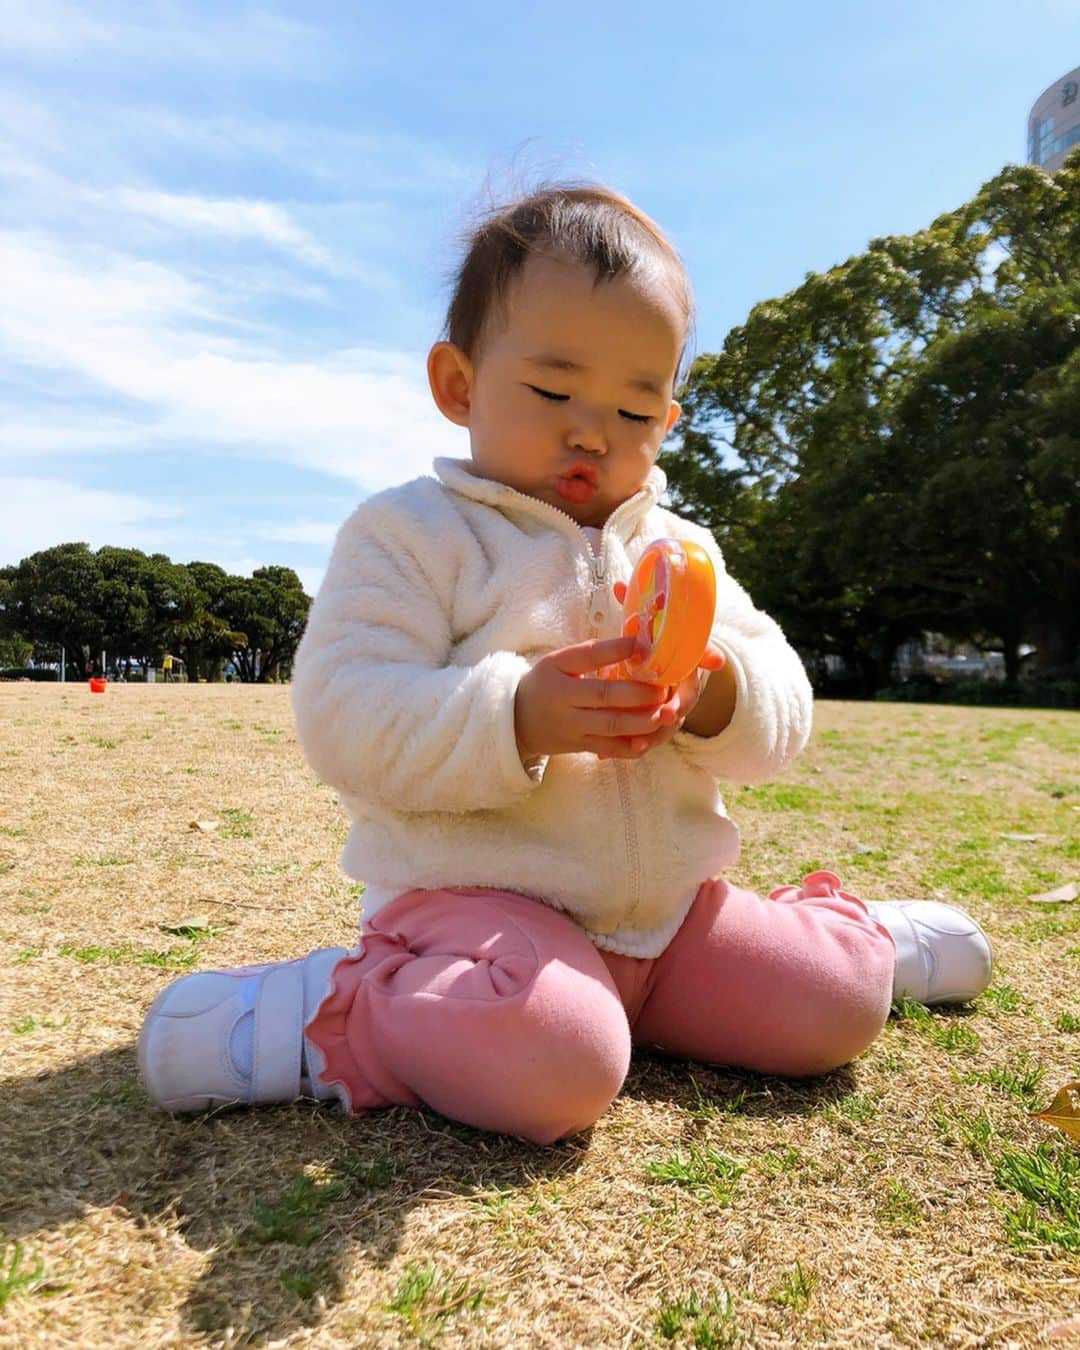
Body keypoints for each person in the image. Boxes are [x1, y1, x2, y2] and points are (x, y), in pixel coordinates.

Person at [138, 183, 992, 1143]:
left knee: (835, 1007)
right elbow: (343, 713)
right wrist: (517, 717)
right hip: (477, 913)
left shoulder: (683, 549)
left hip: (668, 918)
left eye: (635, 407)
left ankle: (853, 939)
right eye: (553, 392)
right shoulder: (410, 536)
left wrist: (720, 695)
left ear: (670, 416)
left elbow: (786, 702)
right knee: (558, 1068)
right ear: (459, 384)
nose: (593, 431)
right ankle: (339, 1006)